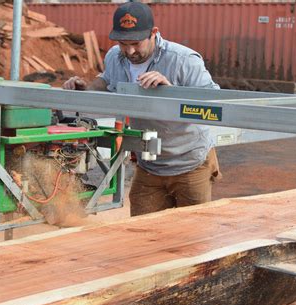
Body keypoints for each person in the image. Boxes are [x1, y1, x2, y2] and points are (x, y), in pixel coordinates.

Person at [63, 2, 221, 216]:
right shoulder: (114, 57)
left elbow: (214, 104)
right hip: (150, 165)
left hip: (190, 163)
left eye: (136, 43)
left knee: (191, 235)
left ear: (153, 33)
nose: (129, 51)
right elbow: (108, 81)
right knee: (142, 233)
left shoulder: (183, 60)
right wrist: (87, 88)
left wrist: (171, 91)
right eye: (123, 43)